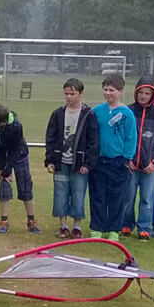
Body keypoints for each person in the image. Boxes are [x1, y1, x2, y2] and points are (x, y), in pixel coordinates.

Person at [44, 78, 96, 239]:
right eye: (66, 94)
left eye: (72, 94)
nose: (68, 97)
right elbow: (50, 138)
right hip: (61, 163)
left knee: (78, 193)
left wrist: (88, 163)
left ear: (81, 94)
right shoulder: (58, 113)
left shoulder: (88, 114)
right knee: (60, 193)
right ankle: (63, 225)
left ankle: (77, 226)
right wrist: (50, 160)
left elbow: (93, 141)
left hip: (79, 165)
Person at [89, 73, 135, 241]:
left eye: (112, 90)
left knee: (117, 197)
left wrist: (127, 158)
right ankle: (97, 227)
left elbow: (131, 137)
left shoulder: (126, 114)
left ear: (121, 91)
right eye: (106, 90)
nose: (108, 93)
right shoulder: (97, 111)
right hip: (99, 161)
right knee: (98, 195)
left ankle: (114, 229)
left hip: (118, 161)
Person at [128, 76, 154, 239]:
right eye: (141, 92)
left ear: (153, 95)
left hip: (149, 166)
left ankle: (144, 227)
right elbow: (125, 137)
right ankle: (126, 224)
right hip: (131, 164)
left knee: (147, 198)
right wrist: (127, 158)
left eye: (147, 93)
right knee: (128, 197)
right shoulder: (129, 111)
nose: (143, 96)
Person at [0, 104, 30, 234]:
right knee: (4, 188)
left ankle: (31, 220)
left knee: (25, 187)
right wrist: (1, 167)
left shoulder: (16, 126)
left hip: (19, 156)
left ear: (1, 123)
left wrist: (8, 168)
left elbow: (16, 148)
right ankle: (4, 221)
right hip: (3, 158)